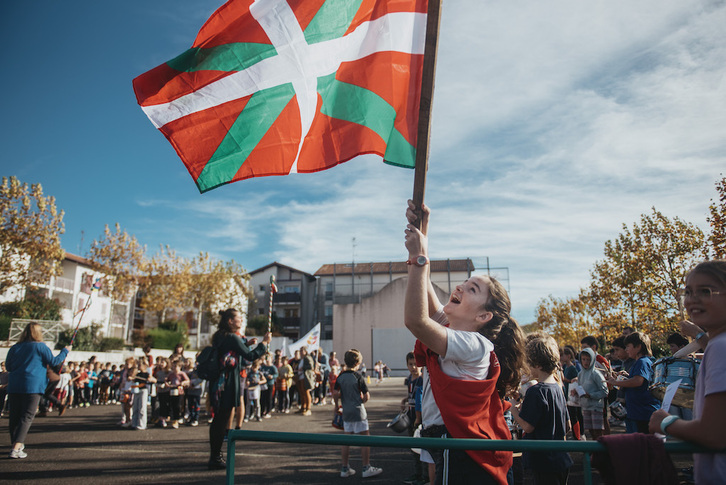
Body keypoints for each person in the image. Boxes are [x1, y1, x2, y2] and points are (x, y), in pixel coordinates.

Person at [404, 200, 525, 485]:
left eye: (472, 289)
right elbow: (429, 307)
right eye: (465, 282)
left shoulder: (476, 346)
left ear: (484, 315)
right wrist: (422, 235)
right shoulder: (456, 335)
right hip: (446, 438)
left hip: (461, 446)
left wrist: (417, 257)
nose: (459, 287)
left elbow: (417, 321)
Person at [649, 260, 726, 483]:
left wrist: (665, 422)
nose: (692, 299)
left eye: (705, 291)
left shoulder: (720, 348)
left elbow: (714, 434)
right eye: (688, 292)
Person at [208, 308, 270, 470]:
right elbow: (250, 356)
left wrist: (245, 344)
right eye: (239, 319)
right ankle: (215, 457)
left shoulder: (220, 336)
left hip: (218, 382)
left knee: (218, 419)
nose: (241, 321)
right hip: (227, 383)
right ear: (230, 321)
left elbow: (232, 350)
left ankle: (215, 455)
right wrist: (264, 343)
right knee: (222, 419)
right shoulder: (232, 337)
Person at [509, 333, 573, 485]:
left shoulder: (535, 391)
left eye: (528, 364)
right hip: (561, 458)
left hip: (543, 460)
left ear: (537, 365)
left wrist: (513, 409)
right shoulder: (557, 389)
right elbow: (567, 425)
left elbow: (527, 426)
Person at [6, 322, 70, 459]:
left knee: (15, 417)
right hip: (33, 386)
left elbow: (8, 366)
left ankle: (15, 444)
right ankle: (16, 447)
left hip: (15, 385)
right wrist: (65, 351)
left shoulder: (15, 347)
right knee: (27, 416)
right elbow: (54, 362)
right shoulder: (41, 347)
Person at [333, 349, 383, 479]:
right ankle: (366, 467)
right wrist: (362, 400)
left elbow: (335, 392)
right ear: (358, 363)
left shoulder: (341, 376)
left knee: (346, 439)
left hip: (346, 410)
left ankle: (344, 468)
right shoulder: (358, 377)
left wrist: (336, 405)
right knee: (365, 438)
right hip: (358, 410)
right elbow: (366, 396)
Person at [606, 332, 659, 433]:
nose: (626, 350)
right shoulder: (640, 362)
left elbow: (638, 381)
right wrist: (626, 377)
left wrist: (616, 382)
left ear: (638, 347)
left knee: (641, 443)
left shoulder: (642, 362)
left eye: (628, 346)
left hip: (642, 413)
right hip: (637, 412)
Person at [401, 351, 426, 485]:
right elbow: (412, 396)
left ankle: (424, 475)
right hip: (410, 417)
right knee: (413, 448)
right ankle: (418, 473)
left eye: (416, 364)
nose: (414, 367)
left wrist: (418, 418)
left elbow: (419, 400)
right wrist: (405, 400)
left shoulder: (421, 380)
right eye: (411, 364)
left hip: (418, 419)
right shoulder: (409, 379)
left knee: (420, 448)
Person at [573, 348, 608, 440]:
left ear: (592, 360)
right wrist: (576, 392)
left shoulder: (596, 374)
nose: (586, 362)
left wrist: (591, 395)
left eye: (588, 359)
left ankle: (601, 451)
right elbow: (580, 387)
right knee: (591, 431)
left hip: (596, 407)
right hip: (585, 406)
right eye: (583, 359)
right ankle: (595, 451)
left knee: (598, 431)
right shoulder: (580, 374)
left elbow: (605, 391)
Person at [560, 346, 583, 441]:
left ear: (568, 356)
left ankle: (578, 435)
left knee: (575, 416)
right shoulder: (566, 367)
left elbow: (576, 381)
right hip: (568, 395)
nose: (561, 357)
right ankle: (576, 435)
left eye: (563, 355)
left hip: (573, 396)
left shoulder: (572, 368)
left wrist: (566, 380)